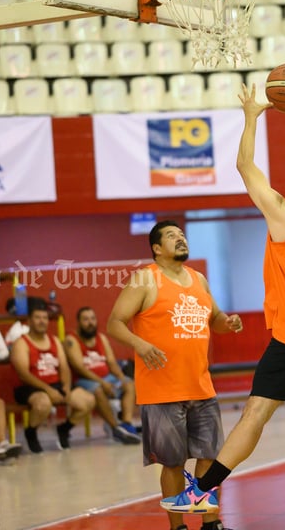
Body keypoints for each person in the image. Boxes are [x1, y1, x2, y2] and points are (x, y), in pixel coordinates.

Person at [159, 82, 285, 513]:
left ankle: (203, 489)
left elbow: (245, 165)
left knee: (255, 414)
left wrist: (251, 115)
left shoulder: (283, 215)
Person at [108, 220, 243, 530]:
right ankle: (178, 527)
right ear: (157, 248)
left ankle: (211, 523)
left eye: (182, 235)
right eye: (172, 236)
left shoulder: (199, 279)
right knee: (172, 463)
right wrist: (140, 344)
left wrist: (228, 322)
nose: (180, 239)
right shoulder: (145, 279)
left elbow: (216, 319)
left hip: (201, 386)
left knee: (209, 457)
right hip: (162, 390)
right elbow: (115, 322)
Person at [10, 299, 94, 453]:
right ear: (29, 321)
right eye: (37, 318)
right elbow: (23, 374)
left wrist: (66, 388)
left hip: (55, 384)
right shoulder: (21, 343)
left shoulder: (54, 340)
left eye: (45, 318)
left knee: (88, 401)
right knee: (44, 404)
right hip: (30, 387)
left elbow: (64, 368)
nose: (42, 321)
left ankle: (64, 428)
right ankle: (31, 432)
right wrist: (48, 390)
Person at [64, 306, 140, 444]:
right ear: (79, 322)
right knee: (98, 390)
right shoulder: (71, 339)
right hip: (84, 380)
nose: (90, 322)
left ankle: (126, 424)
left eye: (93, 319)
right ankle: (115, 428)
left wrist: (121, 378)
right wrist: (103, 382)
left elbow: (111, 362)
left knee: (129, 384)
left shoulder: (101, 338)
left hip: (106, 377)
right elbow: (79, 367)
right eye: (86, 319)